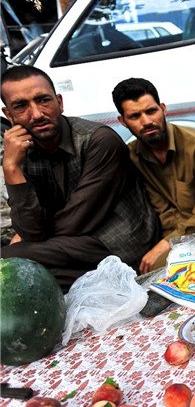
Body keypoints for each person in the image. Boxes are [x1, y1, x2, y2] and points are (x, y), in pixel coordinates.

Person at [0, 66, 159, 290]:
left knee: (14, 261)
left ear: (60, 102)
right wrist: (11, 168)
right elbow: (32, 229)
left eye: (43, 100)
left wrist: (28, 242)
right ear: (9, 115)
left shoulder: (98, 140)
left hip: (120, 243)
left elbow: (76, 221)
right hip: (69, 248)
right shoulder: (22, 151)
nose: (36, 114)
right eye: (21, 106)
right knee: (18, 273)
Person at [112, 78, 195, 273]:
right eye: (135, 116)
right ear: (123, 121)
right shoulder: (134, 156)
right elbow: (164, 212)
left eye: (151, 111)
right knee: (152, 272)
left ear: (163, 109)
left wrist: (168, 243)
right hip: (184, 234)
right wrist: (173, 242)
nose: (147, 121)